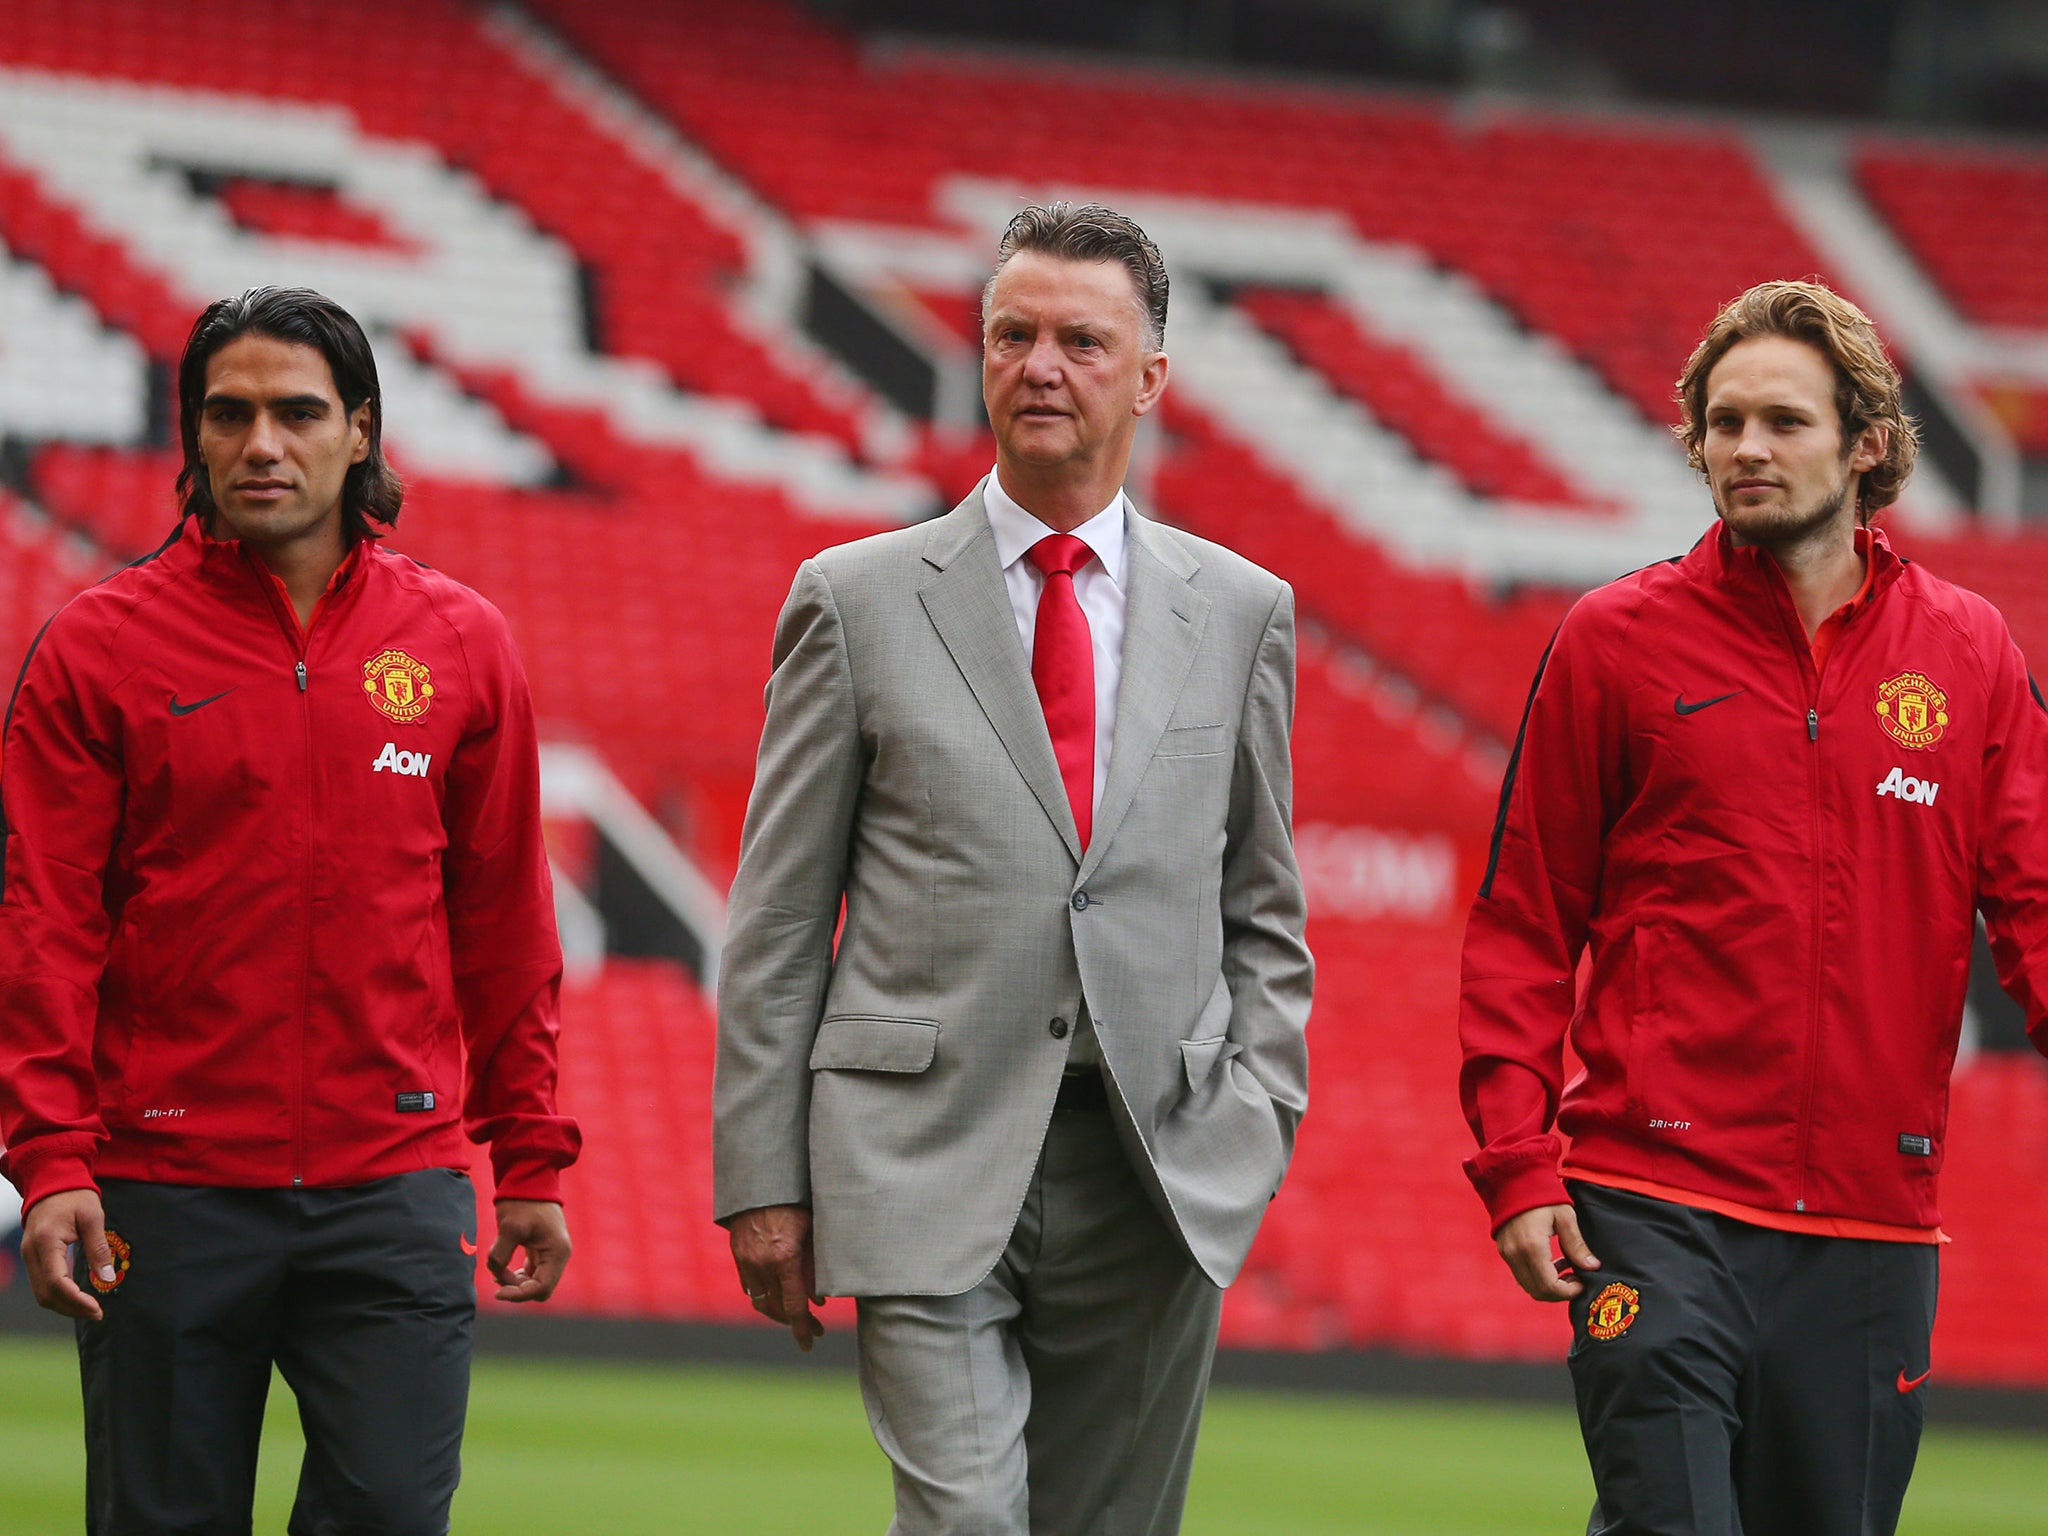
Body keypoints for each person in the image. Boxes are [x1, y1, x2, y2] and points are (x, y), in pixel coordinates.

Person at [714, 202, 1312, 1536]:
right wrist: (763, 1176)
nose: (1041, 364)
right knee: (968, 1525)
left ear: (1151, 380)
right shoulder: (854, 599)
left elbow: (1264, 907)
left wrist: (1257, 1111)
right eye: (1013, 335)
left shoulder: (1243, 611)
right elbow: (777, 913)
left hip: (1157, 1169)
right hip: (917, 1148)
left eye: (1082, 341)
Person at [1459, 278, 2048, 1535]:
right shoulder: (1613, 640)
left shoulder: (1969, 655)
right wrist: (1516, 1162)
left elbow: (2036, 910)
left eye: (1780, 422)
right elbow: (1522, 920)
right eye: (1721, 424)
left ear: (1866, 443)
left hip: (1872, 1227)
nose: (1742, 449)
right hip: (1653, 1203)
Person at [0, 287, 579, 1534]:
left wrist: (527, 1149)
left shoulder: (460, 643)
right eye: (231, 414)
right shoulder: (99, 649)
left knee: (390, 1516)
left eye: (299, 412)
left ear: (360, 431)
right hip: (166, 1184)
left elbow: (504, 921)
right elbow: (42, 925)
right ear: (193, 441)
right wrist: (48, 1163)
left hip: (394, 1185)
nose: (263, 442)